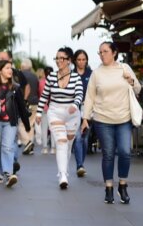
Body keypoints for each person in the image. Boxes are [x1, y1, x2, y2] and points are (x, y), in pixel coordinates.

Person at [82, 41, 141, 204]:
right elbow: (90, 97)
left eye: (105, 51)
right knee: (108, 154)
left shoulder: (125, 68)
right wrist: (85, 118)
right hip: (102, 119)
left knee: (124, 152)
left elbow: (138, 89)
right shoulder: (96, 73)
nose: (102, 54)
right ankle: (108, 188)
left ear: (114, 53)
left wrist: (132, 81)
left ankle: (122, 185)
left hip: (123, 118)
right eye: (99, 52)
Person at [36, 48, 83, 189]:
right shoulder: (51, 77)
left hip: (72, 114)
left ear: (69, 61)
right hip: (55, 111)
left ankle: (65, 169)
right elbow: (44, 96)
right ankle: (62, 175)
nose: (58, 61)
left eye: (62, 58)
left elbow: (80, 94)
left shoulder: (76, 77)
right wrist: (38, 113)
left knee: (68, 145)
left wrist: (75, 105)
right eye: (56, 58)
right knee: (61, 143)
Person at [0, 60, 30, 188]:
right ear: (0, 70)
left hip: (11, 122)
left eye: (11, 68)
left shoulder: (16, 88)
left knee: (7, 147)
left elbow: (22, 107)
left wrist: (26, 124)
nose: (10, 70)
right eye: (7, 68)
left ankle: (8, 173)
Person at [73, 49, 92, 170]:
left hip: (89, 109)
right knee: (78, 137)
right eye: (79, 59)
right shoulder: (71, 74)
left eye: (83, 59)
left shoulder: (91, 74)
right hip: (74, 110)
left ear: (86, 61)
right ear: (75, 61)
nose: (81, 62)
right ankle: (79, 165)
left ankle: (81, 162)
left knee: (85, 139)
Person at [19, 59, 39, 155]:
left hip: (24, 102)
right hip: (35, 102)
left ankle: (27, 142)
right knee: (30, 125)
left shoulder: (20, 76)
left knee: (21, 125)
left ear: (22, 67)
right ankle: (30, 147)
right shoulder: (35, 76)